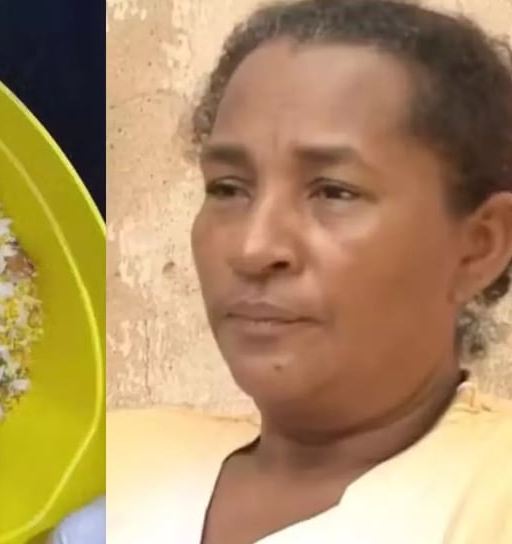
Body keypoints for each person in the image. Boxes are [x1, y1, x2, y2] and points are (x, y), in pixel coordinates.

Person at [107, 1, 512, 542]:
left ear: (479, 247)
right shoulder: (112, 458)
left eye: (334, 192)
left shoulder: (489, 498)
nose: (254, 248)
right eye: (228, 188)